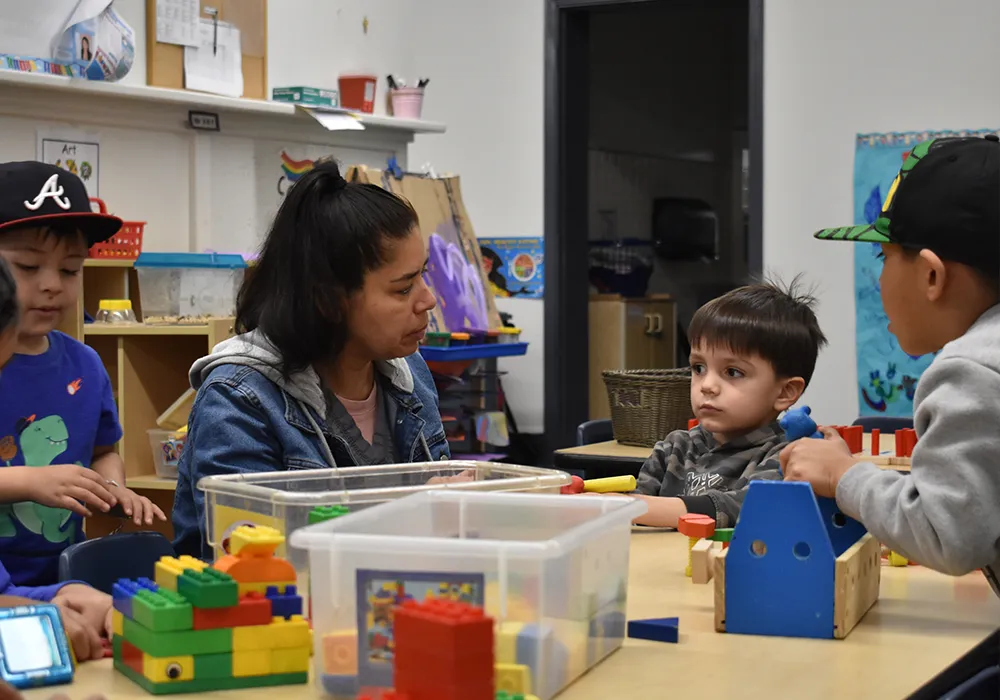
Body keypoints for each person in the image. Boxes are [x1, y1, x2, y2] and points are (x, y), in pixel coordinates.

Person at [172, 160, 450, 559]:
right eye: (404, 288)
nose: (428, 300)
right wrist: (408, 514)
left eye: (423, 276)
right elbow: (251, 561)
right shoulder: (239, 400)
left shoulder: (410, 374)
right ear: (329, 301)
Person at [781, 135, 1000, 598]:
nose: (879, 278)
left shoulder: (971, 369)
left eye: (883, 256)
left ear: (932, 275)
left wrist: (843, 476)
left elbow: (947, 533)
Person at [0, 162, 165, 588]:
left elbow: (102, 450)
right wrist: (29, 480)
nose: (53, 284)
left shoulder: (86, 365)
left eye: (71, 269)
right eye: (28, 267)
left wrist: (112, 488)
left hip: (64, 580)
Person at [628, 279, 827, 528]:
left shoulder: (787, 456)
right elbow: (635, 519)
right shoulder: (673, 448)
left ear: (785, 392)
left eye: (732, 372)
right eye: (699, 368)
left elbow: (743, 510)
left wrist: (630, 508)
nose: (707, 385)